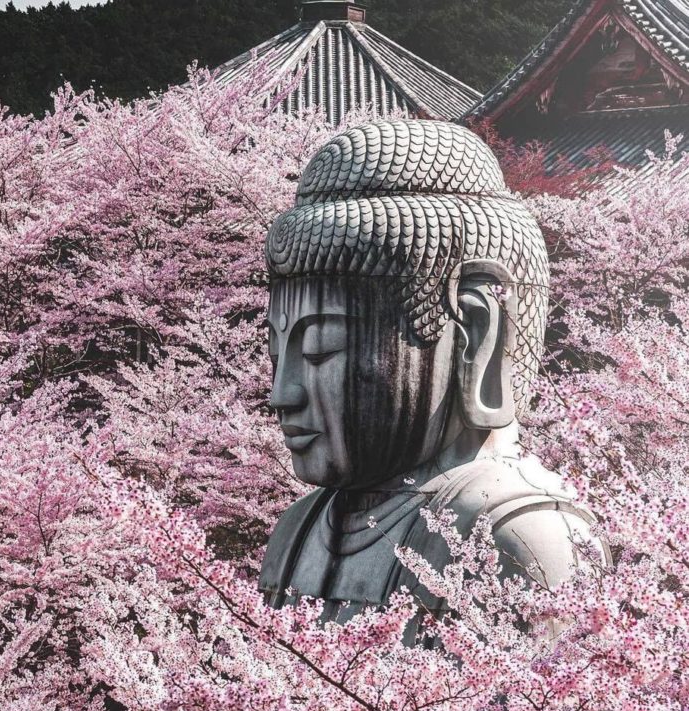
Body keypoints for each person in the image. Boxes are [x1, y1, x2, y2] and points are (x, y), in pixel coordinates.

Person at [259, 119, 606, 625]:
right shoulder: (298, 529)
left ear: (475, 335)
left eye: (320, 347)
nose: (281, 393)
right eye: (277, 350)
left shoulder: (520, 537)